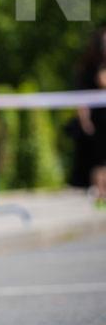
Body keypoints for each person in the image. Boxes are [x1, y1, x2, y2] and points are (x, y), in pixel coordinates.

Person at [70, 24, 106, 204]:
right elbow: (83, 97)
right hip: (99, 120)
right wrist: (84, 120)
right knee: (99, 160)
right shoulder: (90, 68)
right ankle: (100, 195)